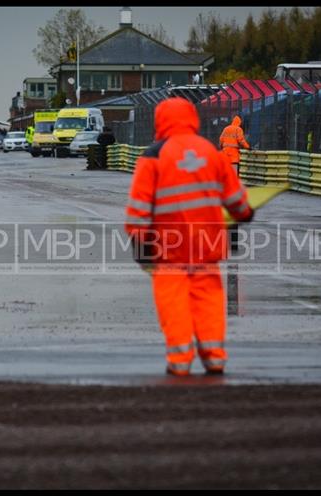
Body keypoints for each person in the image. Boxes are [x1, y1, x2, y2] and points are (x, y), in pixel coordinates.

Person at [124, 97, 254, 377]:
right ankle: (215, 358)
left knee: (174, 302)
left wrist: (138, 241)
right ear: (192, 119)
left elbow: (139, 208)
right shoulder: (209, 151)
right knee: (208, 300)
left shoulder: (153, 156)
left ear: (160, 122)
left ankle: (180, 360)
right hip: (207, 245)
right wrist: (243, 213)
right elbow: (236, 200)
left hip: (170, 247)